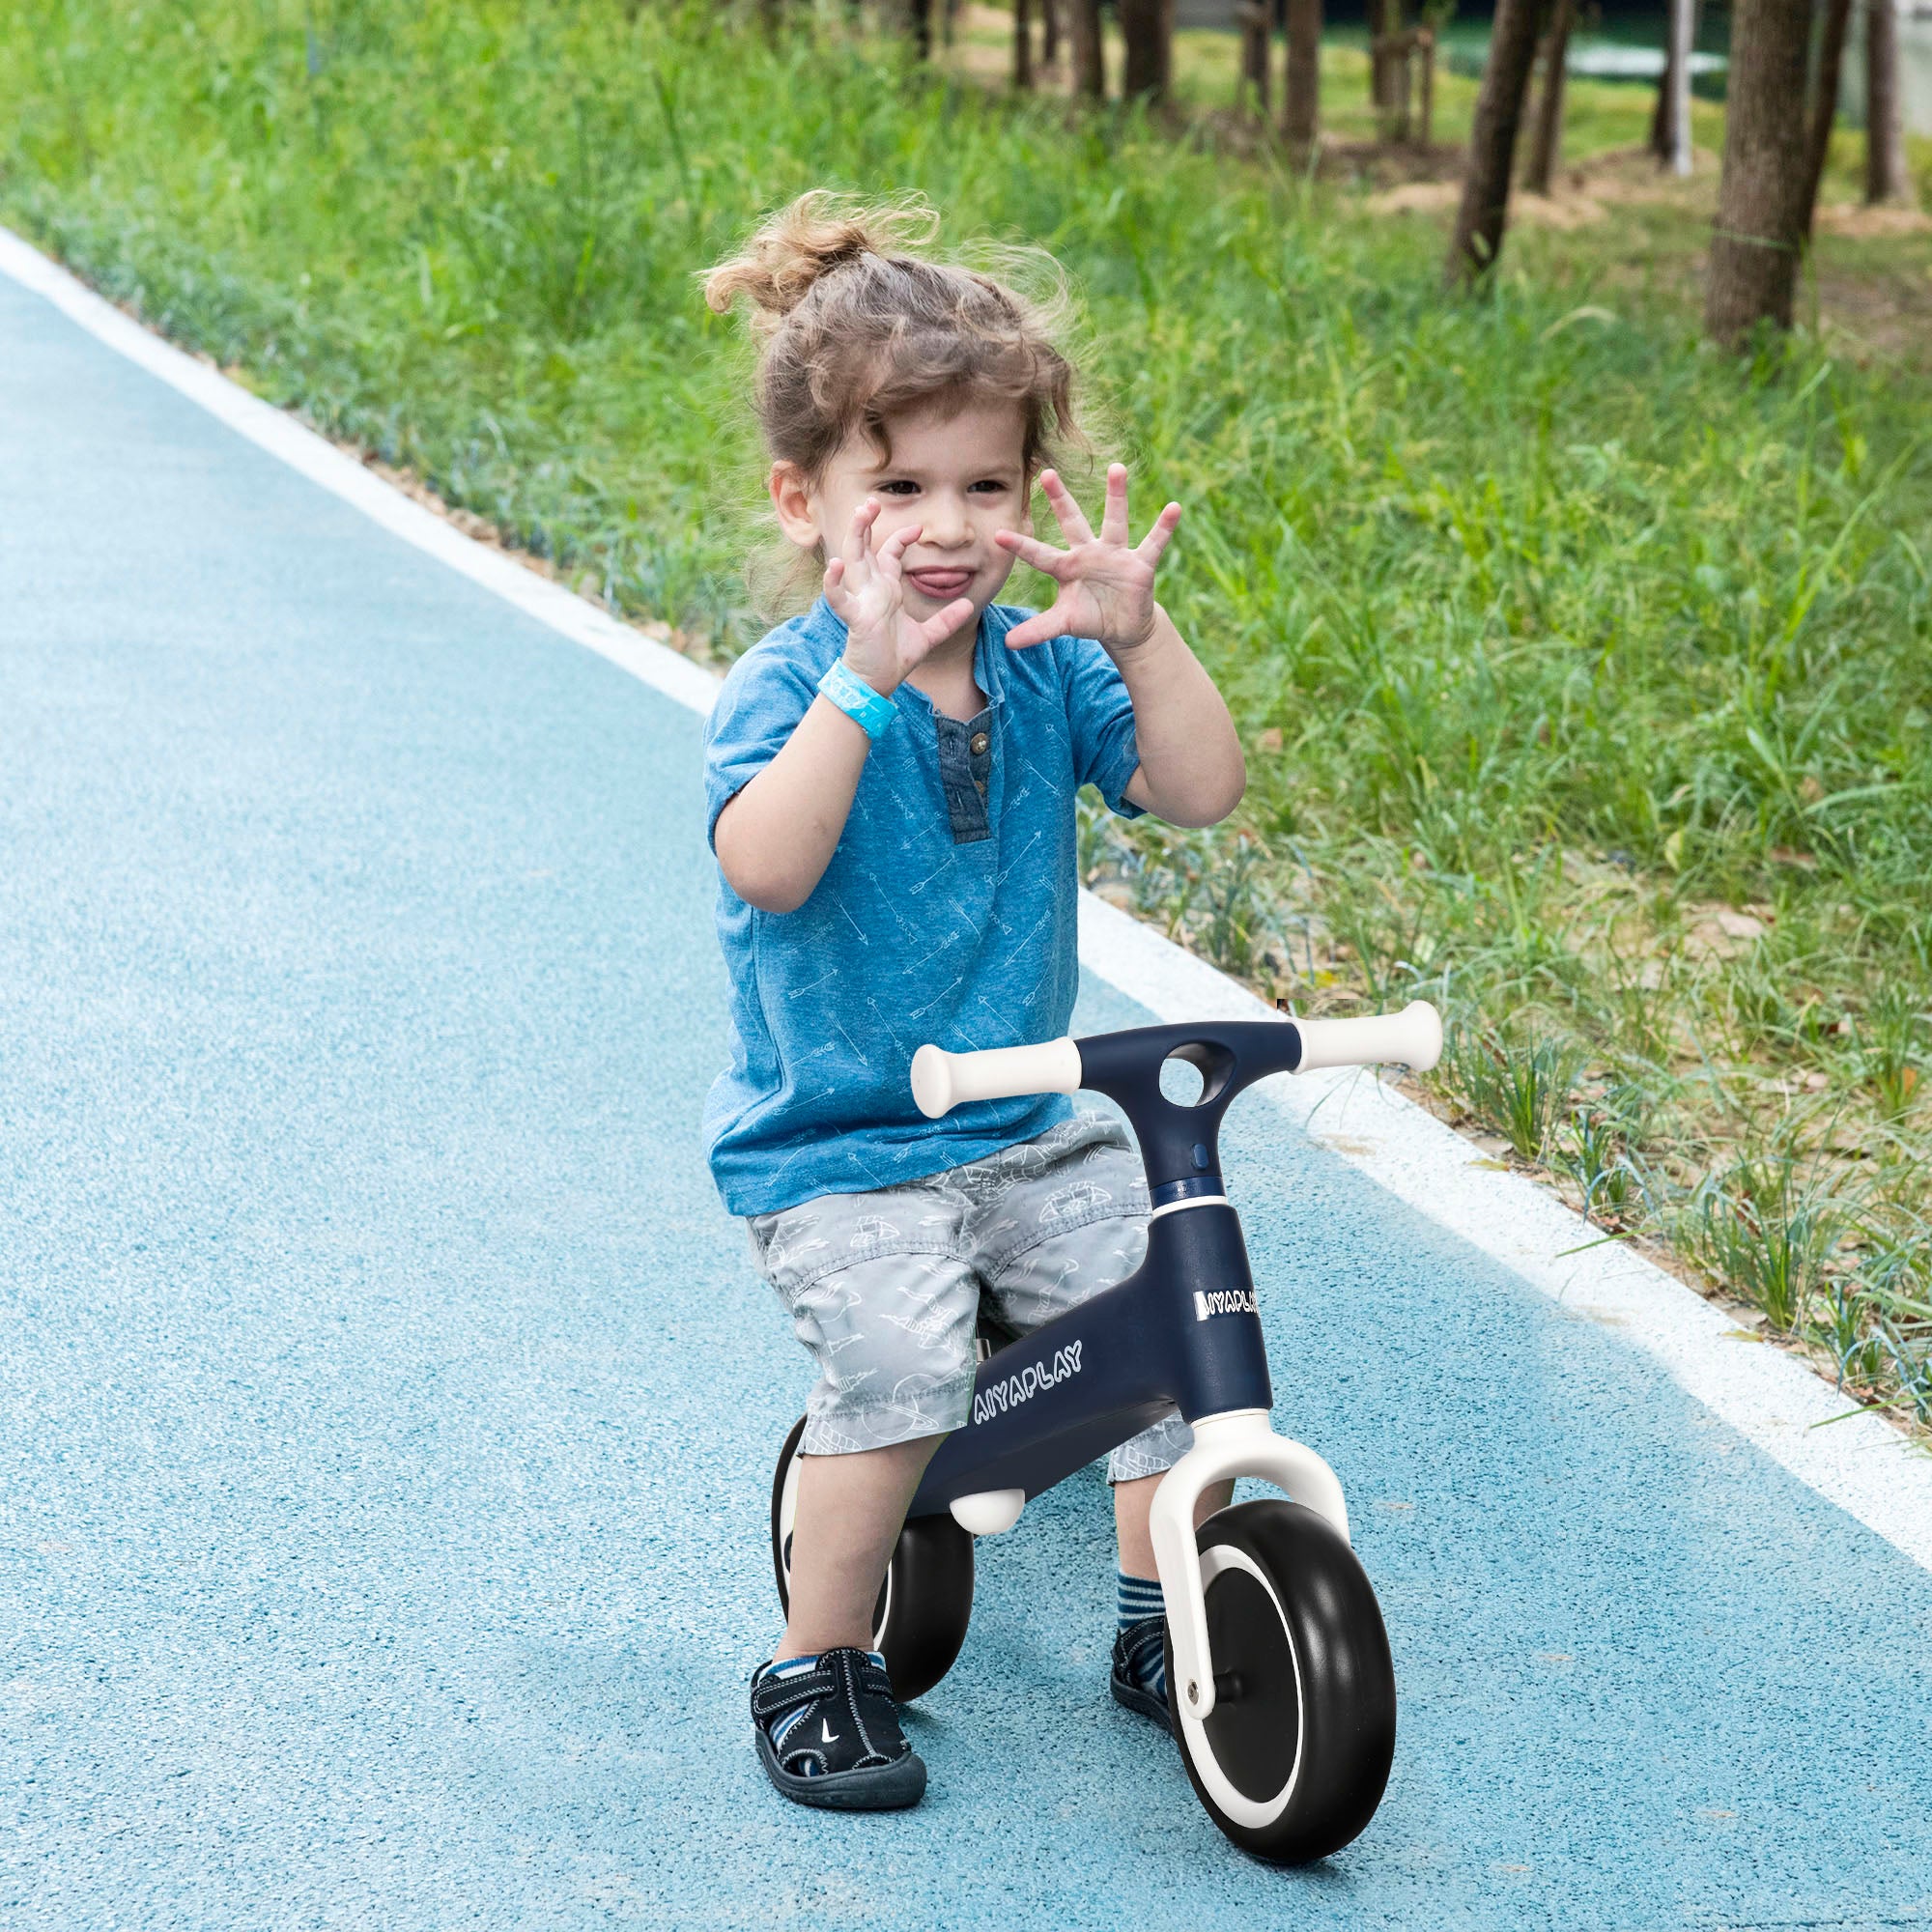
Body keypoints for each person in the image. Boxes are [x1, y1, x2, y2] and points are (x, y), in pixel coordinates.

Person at [700, 191, 1246, 1812]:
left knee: (1178, 1321)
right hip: (847, 1144)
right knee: (898, 1371)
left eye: (986, 484)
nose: (945, 525)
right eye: (901, 486)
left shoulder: (1045, 666)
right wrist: (864, 687)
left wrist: (1142, 643)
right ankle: (819, 1660)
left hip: (1025, 1116)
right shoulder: (791, 690)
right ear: (809, 502)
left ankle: (1173, 1624)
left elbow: (1200, 790)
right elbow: (768, 867)